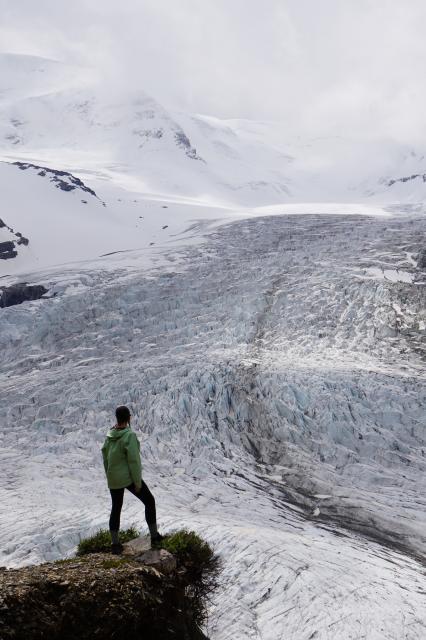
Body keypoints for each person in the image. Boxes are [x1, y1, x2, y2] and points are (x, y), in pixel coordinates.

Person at [102, 405, 163, 554]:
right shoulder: (129, 436)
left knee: (116, 508)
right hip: (127, 477)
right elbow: (134, 461)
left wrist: (109, 475)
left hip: (113, 477)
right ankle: (154, 537)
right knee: (149, 500)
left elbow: (104, 456)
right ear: (129, 418)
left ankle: (115, 544)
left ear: (117, 418)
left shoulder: (109, 435)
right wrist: (137, 482)